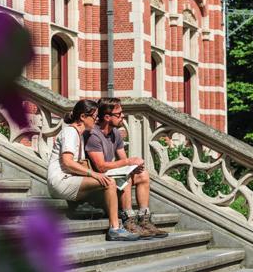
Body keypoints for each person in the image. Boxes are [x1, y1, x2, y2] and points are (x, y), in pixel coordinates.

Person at [47, 99, 139, 241]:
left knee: (112, 180)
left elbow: (80, 163)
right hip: (60, 181)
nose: (96, 121)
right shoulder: (70, 132)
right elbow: (67, 162)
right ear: (83, 117)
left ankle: (115, 216)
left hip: (71, 179)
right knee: (109, 183)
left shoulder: (82, 134)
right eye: (94, 117)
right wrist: (94, 174)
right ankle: (115, 229)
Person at [85, 97, 168, 239]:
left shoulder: (115, 133)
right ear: (106, 117)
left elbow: (123, 160)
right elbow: (100, 166)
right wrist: (128, 163)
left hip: (110, 175)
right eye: (119, 114)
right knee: (126, 177)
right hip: (98, 180)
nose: (122, 116)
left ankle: (144, 219)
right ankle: (128, 219)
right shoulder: (94, 135)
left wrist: (133, 166)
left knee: (143, 175)